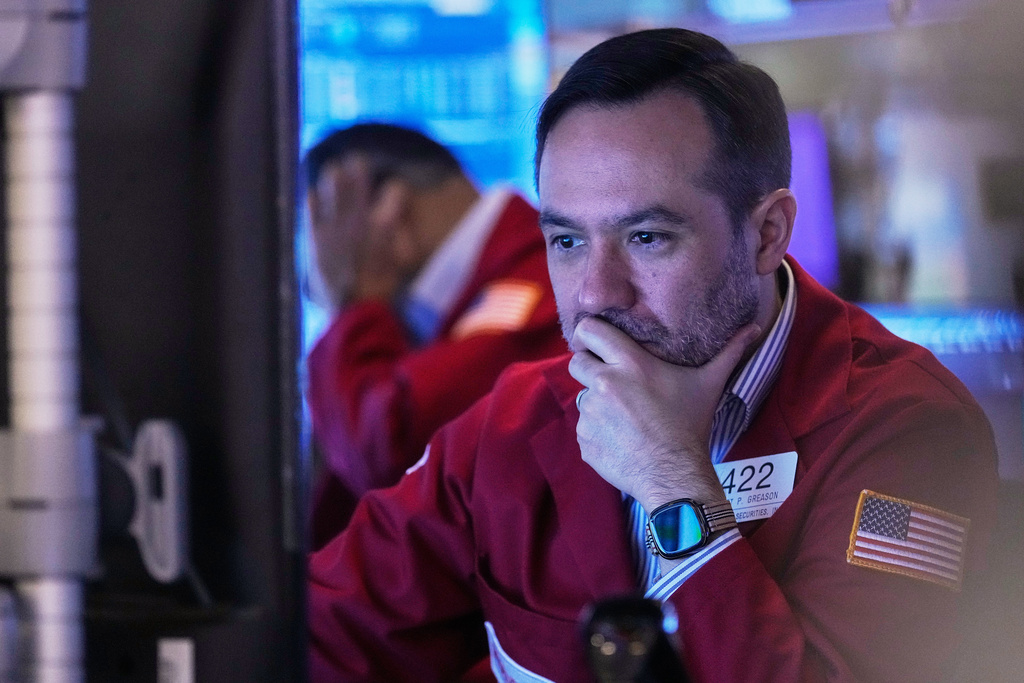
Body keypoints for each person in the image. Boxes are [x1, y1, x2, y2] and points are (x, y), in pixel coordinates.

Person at [308, 29, 999, 682]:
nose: (596, 296)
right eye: (568, 242)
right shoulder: (515, 424)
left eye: (646, 237)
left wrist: (671, 479)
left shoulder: (906, 427)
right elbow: (320, 638)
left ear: (768, 234)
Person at [303, 124, 565, 548]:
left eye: (321, 242)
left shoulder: (534, 289)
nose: (312, 282)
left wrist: (353, 304)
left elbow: (391, 462)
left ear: (389, 208)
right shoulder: (462, 298)